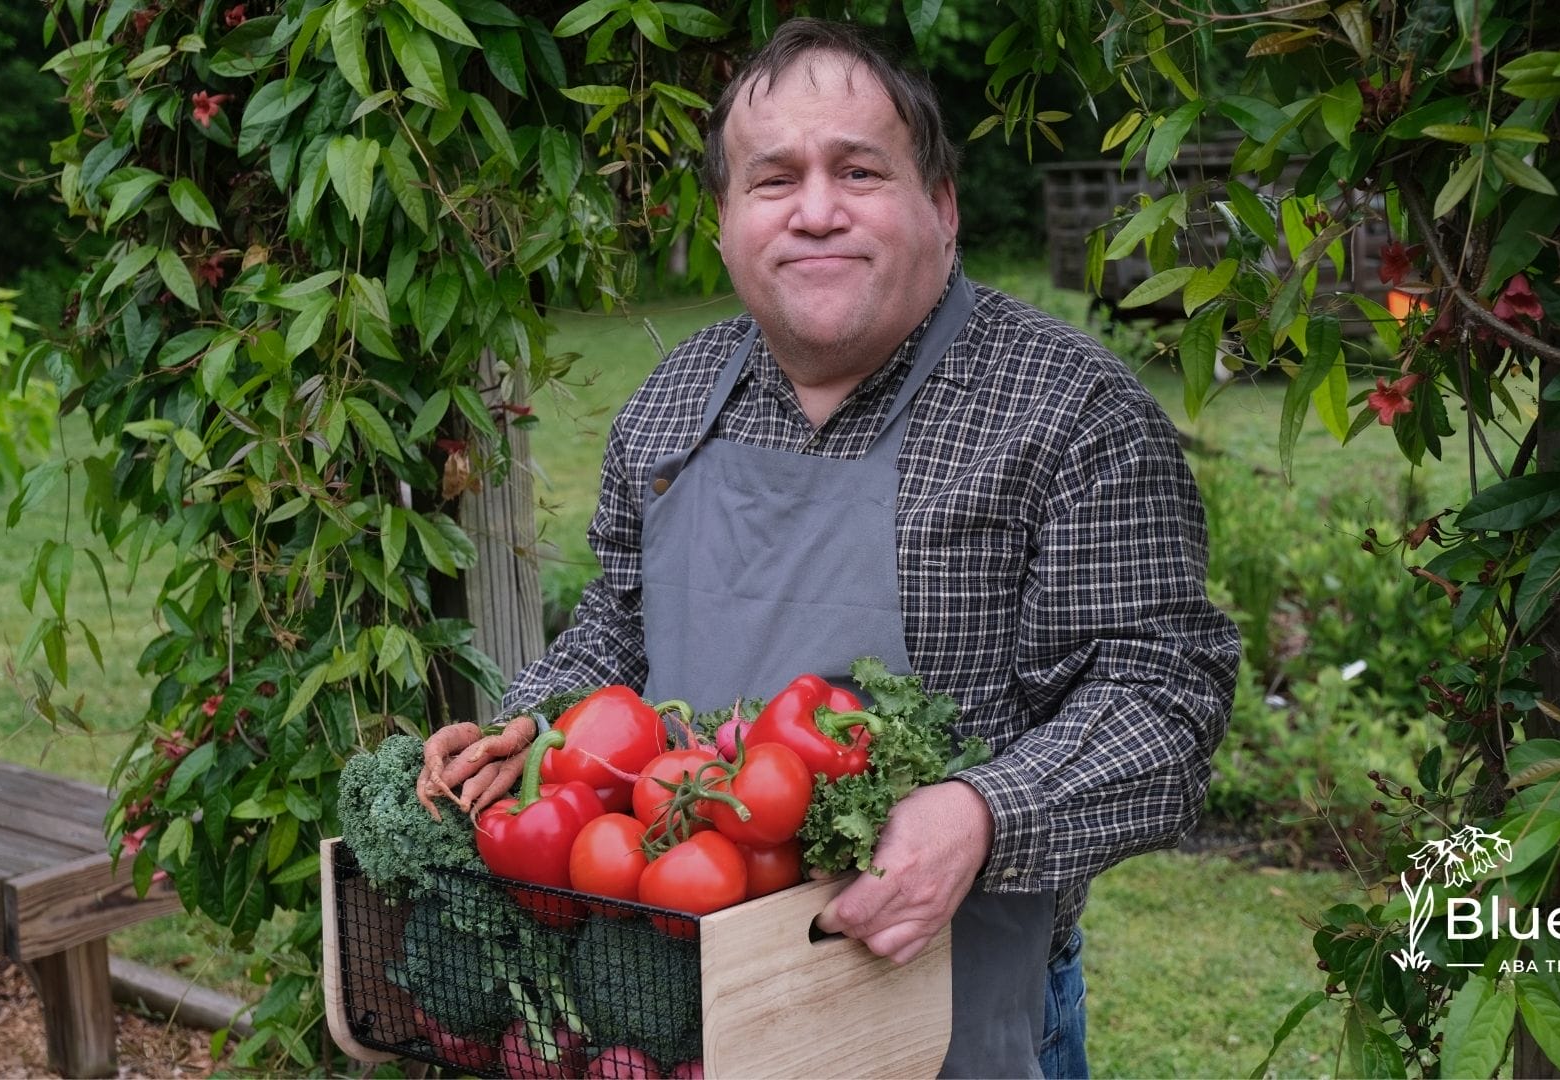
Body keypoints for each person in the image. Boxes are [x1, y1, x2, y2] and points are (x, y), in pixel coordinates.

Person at [488, 18, 1238, 1078]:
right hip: (685, 1007)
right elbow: (618, 629)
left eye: (860, 170)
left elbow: (1166, 701)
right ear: (723, 224)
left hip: (954, 1011)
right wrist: (527, 729)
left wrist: (983, 811)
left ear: (941, 205)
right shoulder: (669, 409)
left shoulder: (1073, 415)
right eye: (774, 179)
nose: (817, 211)